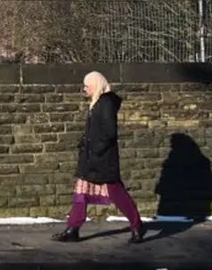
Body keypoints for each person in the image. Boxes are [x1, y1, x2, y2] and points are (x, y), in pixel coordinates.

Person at [51, 71, 145, 244]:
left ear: (96, 85)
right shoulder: (96, 103)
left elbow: (109, 133)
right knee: (80, 194)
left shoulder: (106, 103)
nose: (84, 89)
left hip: (102, 160)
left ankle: (137, 225)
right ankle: (73, 228)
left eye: (87, 86)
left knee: (117, 194)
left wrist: (95, 149)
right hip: (90, 158)